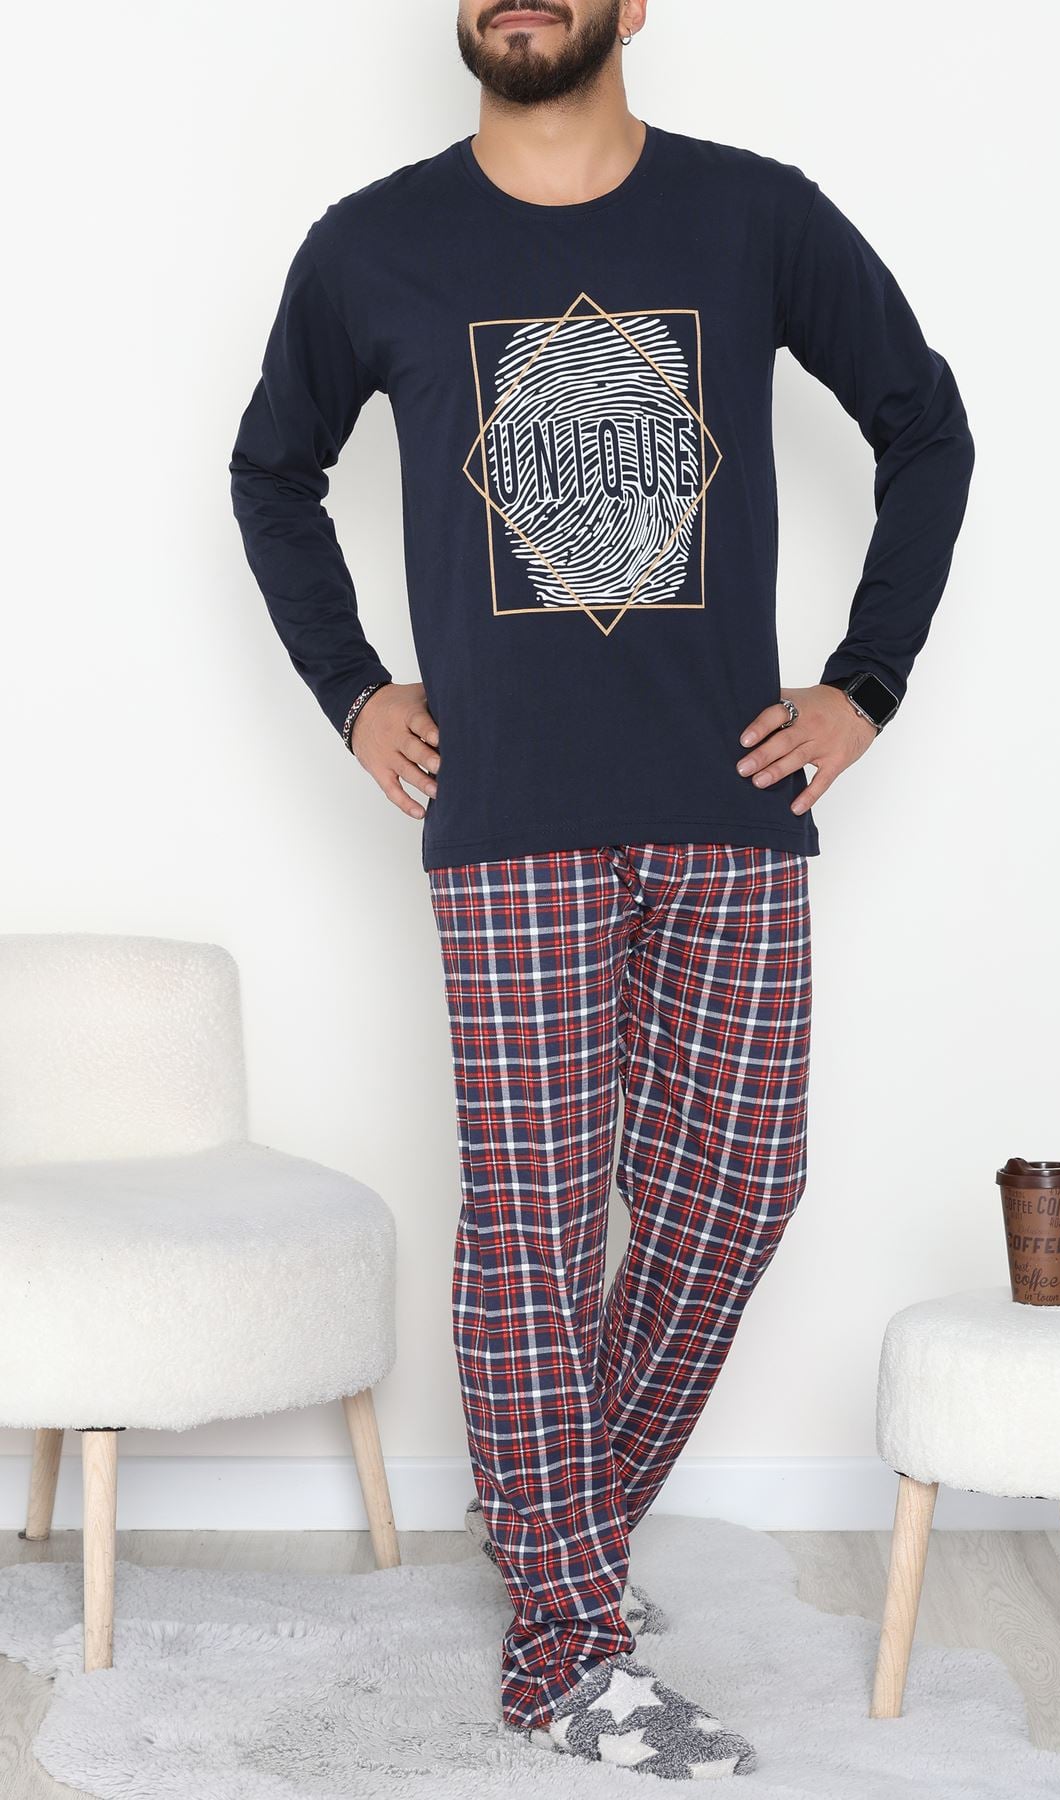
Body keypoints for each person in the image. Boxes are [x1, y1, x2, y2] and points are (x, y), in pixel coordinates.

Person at [229, 0, 975, 1777]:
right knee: (540, 1230)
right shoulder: (374, 246)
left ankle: (552, 1528)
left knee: (739, 1189)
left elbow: (925, 425)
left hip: (731, 801)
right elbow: (271, 473)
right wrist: (356, 690)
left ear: (636, 5)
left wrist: (865, 685)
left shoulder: (753, 215)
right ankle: (566, 1649)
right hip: (509, 819)